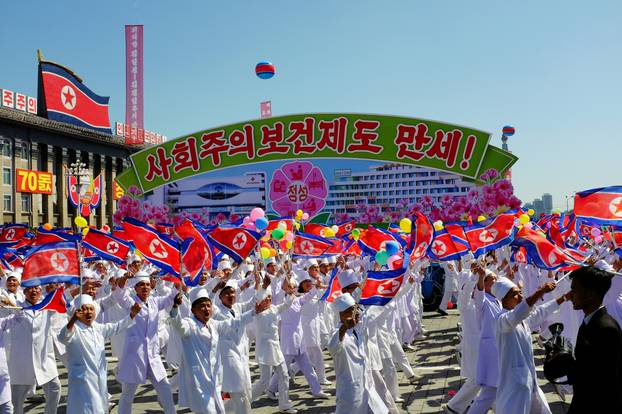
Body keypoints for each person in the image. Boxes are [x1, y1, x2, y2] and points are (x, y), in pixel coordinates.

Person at [170, 287, 270, 414]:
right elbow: (178, 324)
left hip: (214, 379)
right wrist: (175, 309)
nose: (206, 309)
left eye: (208, 306)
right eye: (202, 306)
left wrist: (254, 312)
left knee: (220, 411)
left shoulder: (213, 324)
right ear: (193, 310)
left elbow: (233, 322)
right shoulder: (189, 325)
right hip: (198, 380)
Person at [492, 277, 569, 414]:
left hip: (529, 381)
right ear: (503, 299)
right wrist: (541, 292)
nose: (520, 296)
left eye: (520, 292)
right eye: (515, 294)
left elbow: (540, 312)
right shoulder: (502, 320)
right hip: (515, 386)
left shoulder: (522, 320)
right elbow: (517, 314)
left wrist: (563, 298)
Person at [58, 295, 140, 414]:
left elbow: (116, 327)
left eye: (91, 309)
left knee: (98, 407)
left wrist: (131, 315)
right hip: (83, 380)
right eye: (85, 309)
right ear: (78, 312)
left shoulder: (97, 328)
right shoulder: (74, 329)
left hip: (99, 378)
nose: (89, 312)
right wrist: (72, 320)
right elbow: (63, 337)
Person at [113, 271, 178, 414]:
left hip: (153, 356)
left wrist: (178, 284)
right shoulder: (130, 302)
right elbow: (119, 294)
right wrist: (124, 278)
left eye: (148, 285)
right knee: (127, 395)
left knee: (165, 389)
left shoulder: (155, 301)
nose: (145, 287)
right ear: (135, 288)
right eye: (141, 285)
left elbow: (170, 298)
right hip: (135, 357)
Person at [567, 266, 622, 413]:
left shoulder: (606, 329)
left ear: (590, 294)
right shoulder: (589, 321)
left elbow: (604, 382)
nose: (570, 295)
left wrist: (570, 367)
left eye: (575, 290)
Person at [328, 293, 387, 414]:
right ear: (342, 314)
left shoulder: (357, 329)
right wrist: (343, 328)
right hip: (350, 392)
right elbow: (332, 347)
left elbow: (373, 313)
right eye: (352, 310)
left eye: (357, 309)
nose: (357, 312)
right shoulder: (337, 333)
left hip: (366, 387)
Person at [8, 285, 62, 414]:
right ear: (24, 292)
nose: (34, 291)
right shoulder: (15, 305)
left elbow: (64, 303)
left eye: (37, 288)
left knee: (55, 388)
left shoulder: (47, 305)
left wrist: (55, 292)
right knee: (17, 398)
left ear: (40, 291)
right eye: (30, 289)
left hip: (44, 357)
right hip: (22, 358)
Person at [250, 276, 297, 413]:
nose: (269, 300)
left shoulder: (274, 309)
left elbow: (287, 304)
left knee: (284, 375)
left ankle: (284, 404)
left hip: (276, 348)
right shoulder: (257, 313)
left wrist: (290, 292)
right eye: (266, 298)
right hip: (265, 349)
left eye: (270, 298)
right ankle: (246, 401)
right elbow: (256, 299)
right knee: (264, 380)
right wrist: (263, 287)